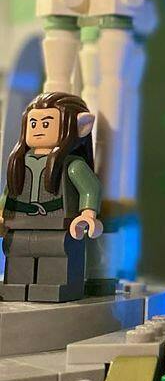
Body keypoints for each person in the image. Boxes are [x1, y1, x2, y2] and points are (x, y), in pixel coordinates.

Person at [0, 91, 102, 302]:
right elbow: (10, 192)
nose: (38, 129)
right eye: (33, 123)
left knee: (56, 256)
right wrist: (2, 214)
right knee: (16, 254)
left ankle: (51, 289)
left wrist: (87, 215)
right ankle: (16, 287)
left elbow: (90, 188)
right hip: (18, 225)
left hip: (59, 225)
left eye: (46, 124)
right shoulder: (18, 163)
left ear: (80, 127)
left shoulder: (72, 165)